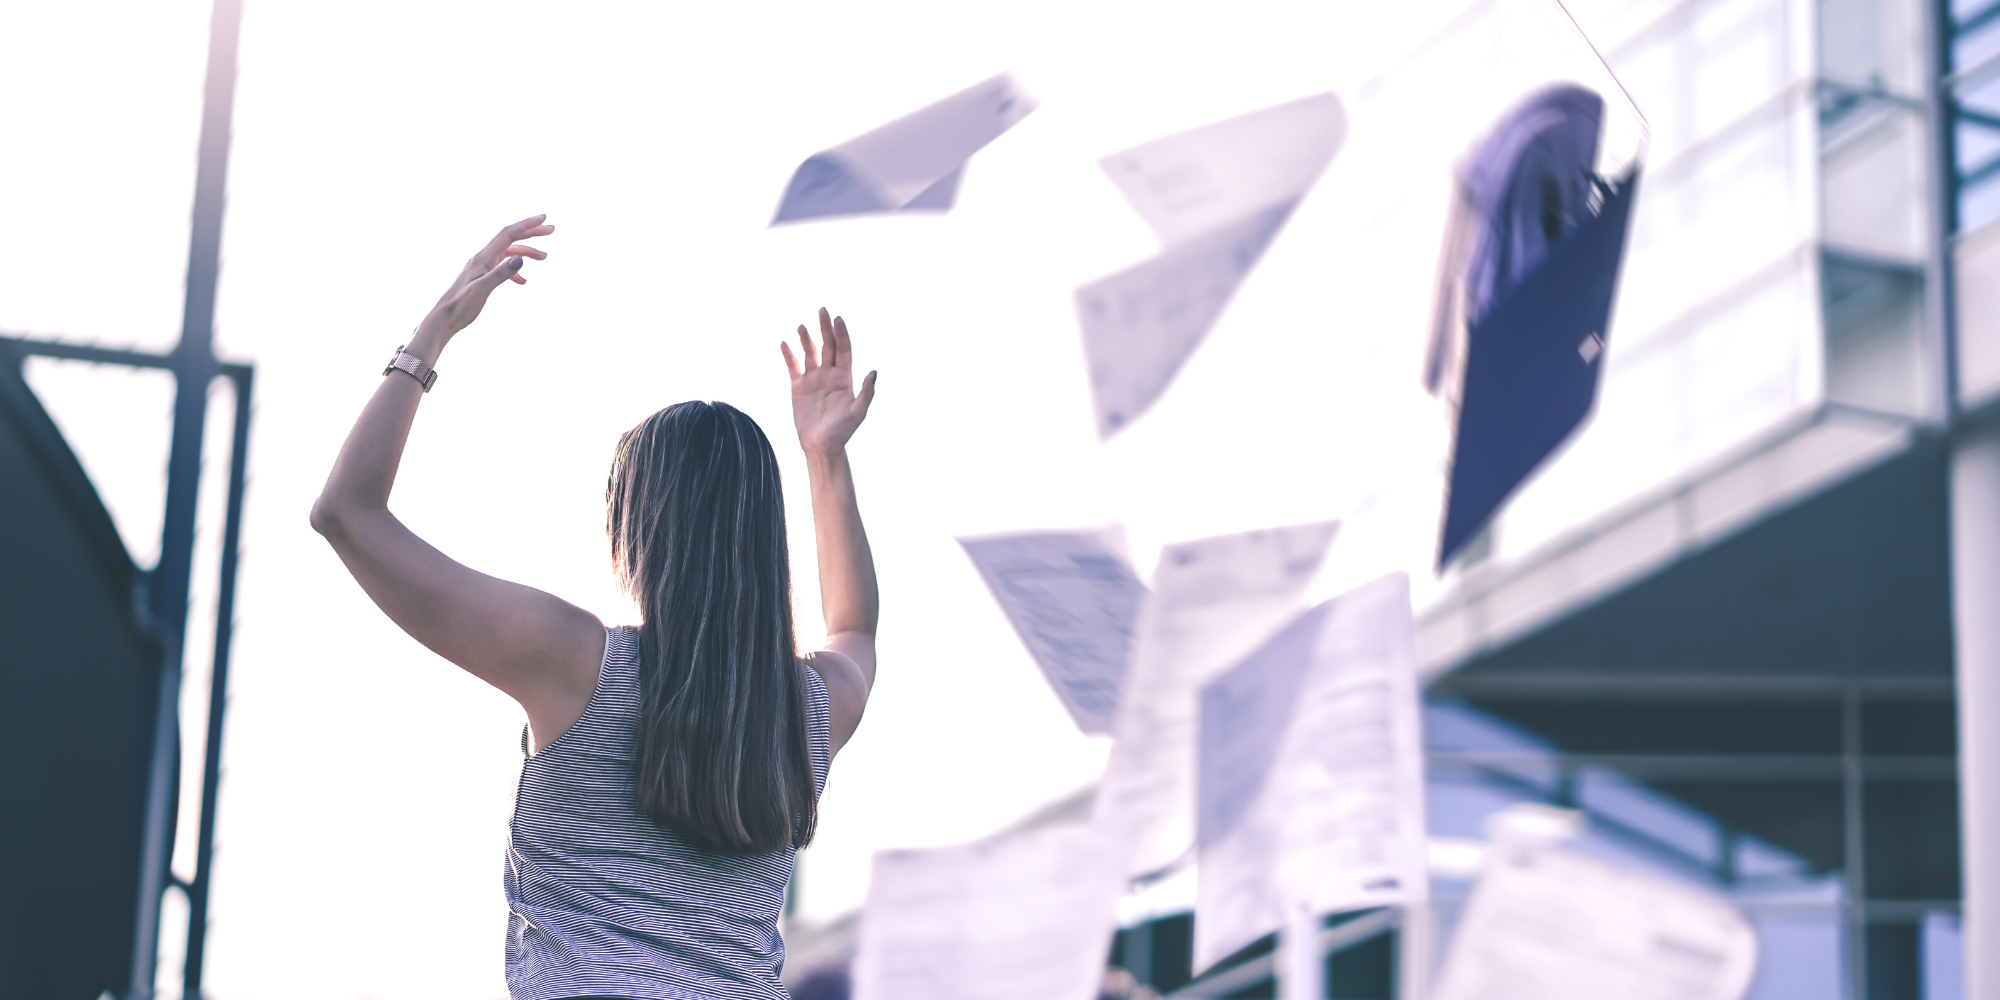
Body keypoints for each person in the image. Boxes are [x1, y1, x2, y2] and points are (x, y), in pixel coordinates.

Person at [311, 215, 880, 1000]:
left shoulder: (574, 660)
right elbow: (855, 627)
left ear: (635, 528)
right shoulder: (809, 708)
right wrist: (825, 460)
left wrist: (433, 334)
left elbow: (347, 514)